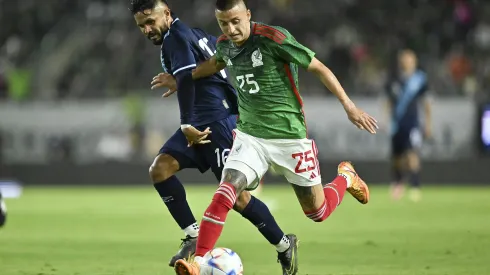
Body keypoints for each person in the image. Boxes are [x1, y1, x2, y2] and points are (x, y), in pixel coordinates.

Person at [168, 0, 378, 274]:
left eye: (235, 21)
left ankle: (346, 177)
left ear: (248, 15)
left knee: (318, 212)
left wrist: (349, 106)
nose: (231, 29)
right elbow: (215, 64)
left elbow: (319, 68)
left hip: (290, 137)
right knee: (226, 191)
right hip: (250, 137)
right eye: (223, 23)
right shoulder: (225, 45)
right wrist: (182, 79)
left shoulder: (273, 38)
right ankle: (198, 261)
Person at [129, 0, 297, 272]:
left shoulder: (177, 38)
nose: (148, 29)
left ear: (167, 14)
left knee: (238, 199)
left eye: (151, 22)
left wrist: (185, 123)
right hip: (203, 121)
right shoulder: (196, 34)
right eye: (141, 26)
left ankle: (284, 245)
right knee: (160, 169)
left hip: (216, 124)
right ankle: (194, 236)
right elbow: (213, 67)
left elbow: (186, 79)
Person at [385, 49, 432, 202]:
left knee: (412, 154)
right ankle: (398, 183)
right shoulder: (394, 79)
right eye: (403, 59)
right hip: (397, 124)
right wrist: (386, 120)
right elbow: (388, 101)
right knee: (397, 157)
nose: (405, 62)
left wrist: (428, 123)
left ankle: (415, 185)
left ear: (414, 61)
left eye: (409, 59)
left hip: (413, 123)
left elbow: (426, 103)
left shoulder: (420, 79)